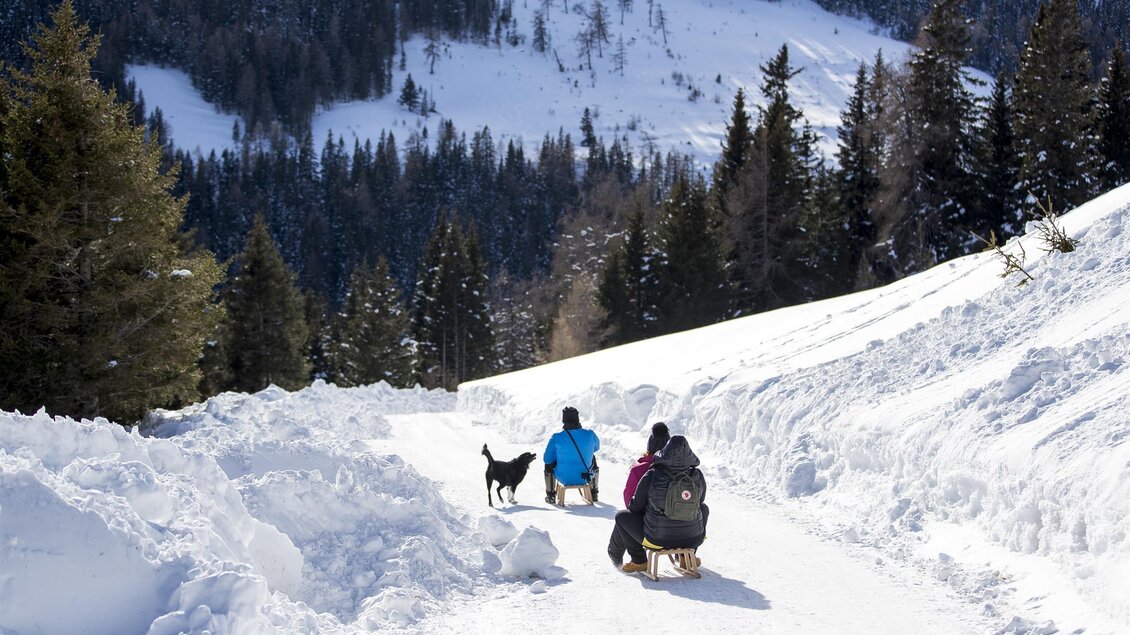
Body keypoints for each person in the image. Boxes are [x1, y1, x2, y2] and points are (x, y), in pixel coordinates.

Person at [608, 435, 709, 573]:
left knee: (622, 517)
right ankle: (686, 557)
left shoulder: (653, 474)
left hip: (658, 539)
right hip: (692, 538)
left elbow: (636, 506)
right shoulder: (697, 474)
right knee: (704, 508)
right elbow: (700, 501)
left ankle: (639, 560)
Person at [543, 406, 600, 504]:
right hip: (585, 477)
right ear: (578, 419)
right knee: (592, 458)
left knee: (549, 464)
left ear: (563, 420)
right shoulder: (590, 434)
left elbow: (547, 459)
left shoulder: (557, 437)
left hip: (564, 478)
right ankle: (594, 493)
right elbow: (596, 448)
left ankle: (551, 495)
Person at [623, 422, 670, 508]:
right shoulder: (683, 469)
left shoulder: (637, 470)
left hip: (648, 519)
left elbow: (628, 501)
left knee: (621, 516)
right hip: (679, 519)